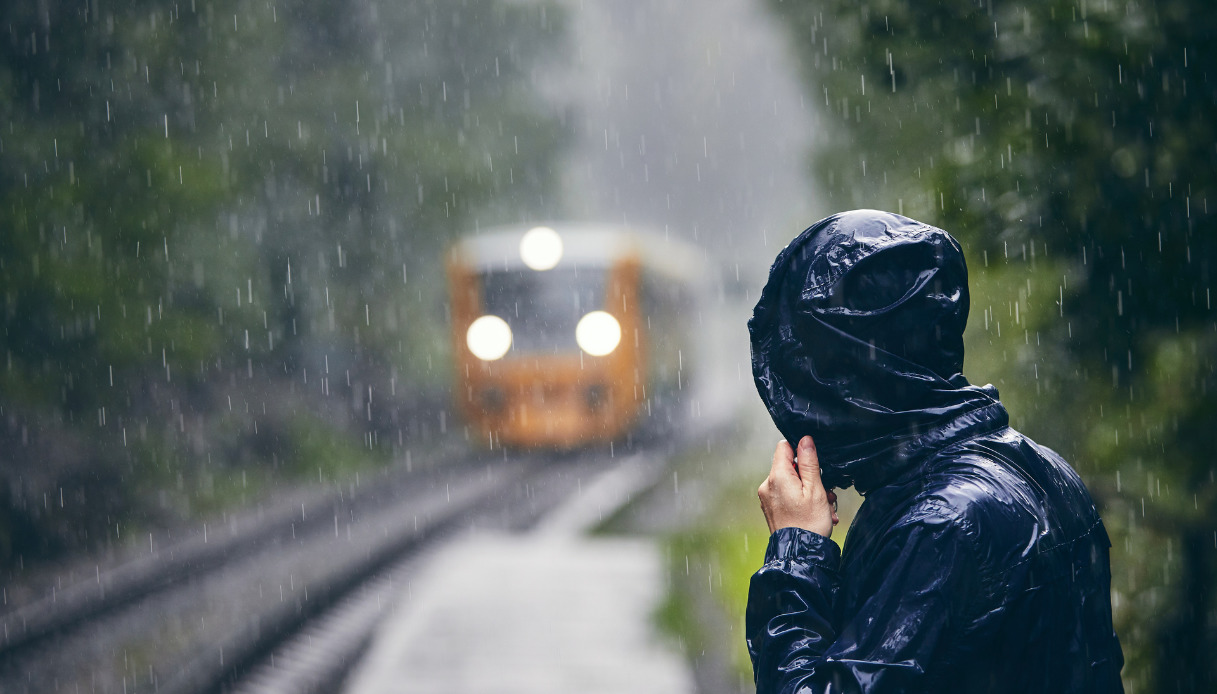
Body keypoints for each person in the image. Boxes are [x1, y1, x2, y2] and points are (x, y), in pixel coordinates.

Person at [745, 210, 1124, 693]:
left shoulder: (938, 526)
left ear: (850, 373)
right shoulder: (1047, 471)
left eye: (810, 367)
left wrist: (795, 553)